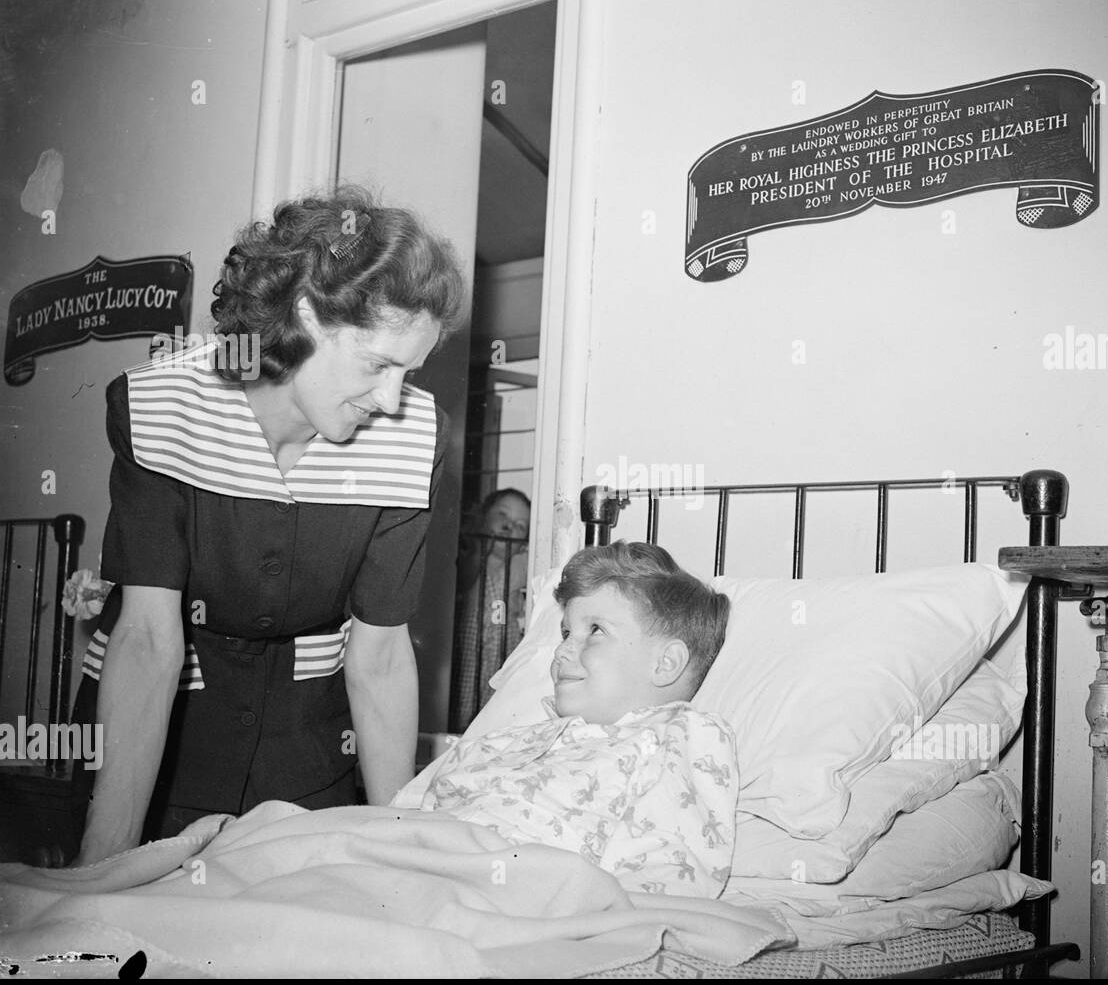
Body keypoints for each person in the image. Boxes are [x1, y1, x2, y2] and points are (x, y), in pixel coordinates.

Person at [73, 186, 465, 866]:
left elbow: (377, 658)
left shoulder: (412, 435)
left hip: (308, 737)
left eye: (410, 372)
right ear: (307, 315)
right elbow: (146, 640)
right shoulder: (165, 403)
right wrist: (104, 860)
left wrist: (404, 850)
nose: (393, 400)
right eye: (377, 364)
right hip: (155, 734)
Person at [422, 542, 737, 897]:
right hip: (425, 857)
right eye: (566, 633)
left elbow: (674, 870)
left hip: (510, 887)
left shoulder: (678, 736)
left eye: (596, 631)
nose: (561, 650)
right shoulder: (521, 737)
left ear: (665, 664)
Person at [449, 488, 531, 732]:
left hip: (499, 666)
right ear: (484, 519)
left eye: (520, 526)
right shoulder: (467, 560)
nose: (509, 527)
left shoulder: (517, 566)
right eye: (502, 516)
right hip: (468, 664)